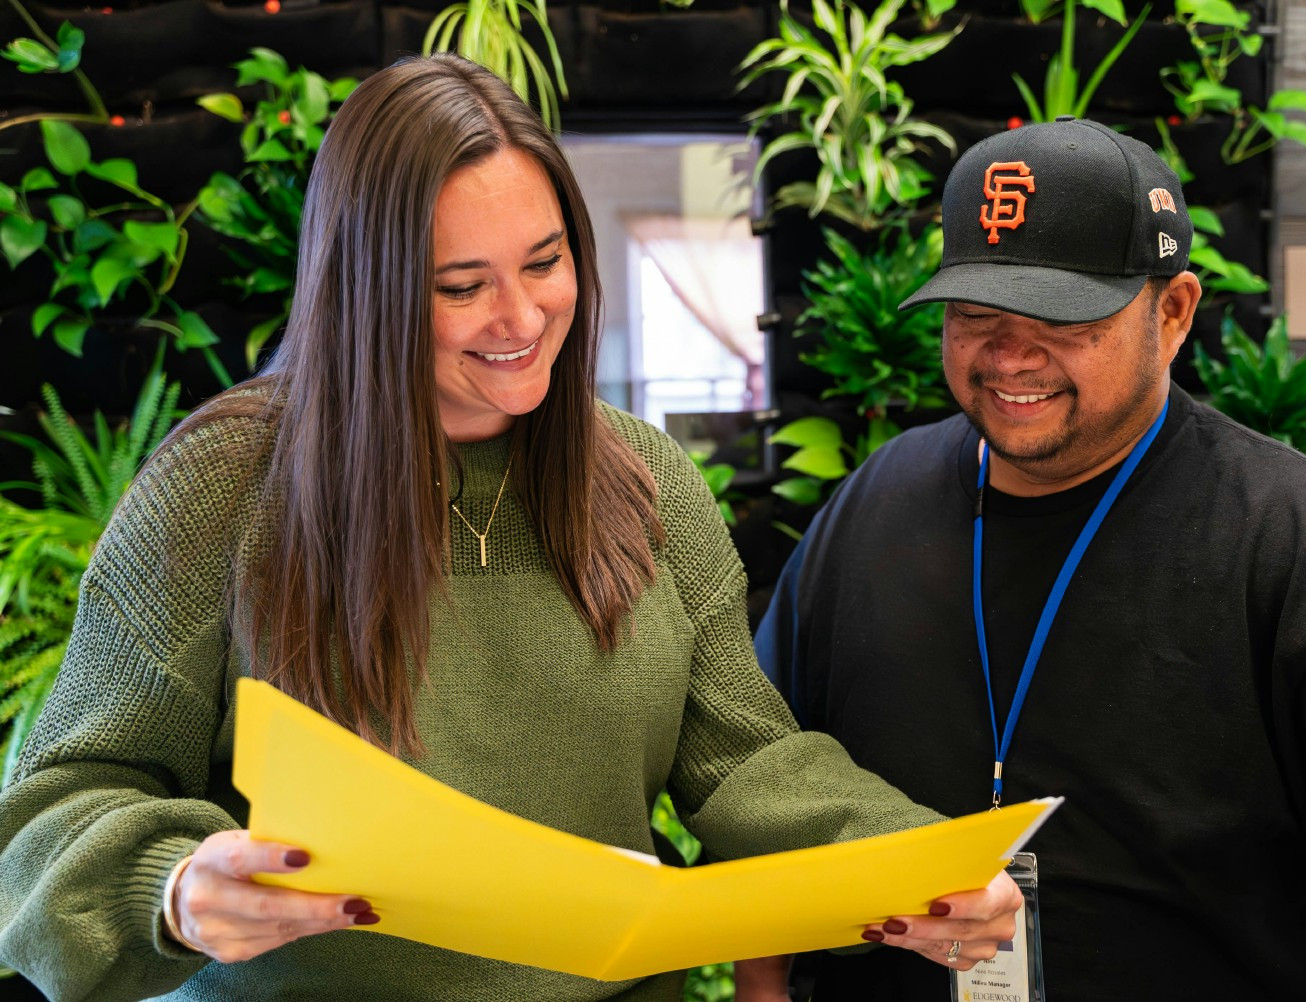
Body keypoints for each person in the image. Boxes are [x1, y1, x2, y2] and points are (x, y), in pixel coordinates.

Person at [0, 54, 1025, 1002]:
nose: (522, 319)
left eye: (545, 263)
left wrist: (921, 865)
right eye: (460, 287)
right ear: (367, 288)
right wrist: (173, 885)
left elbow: (748, 764)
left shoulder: (643, 477)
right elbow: (53, 811)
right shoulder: (223, 488)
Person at [747, 117, 1306, 1001]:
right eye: (977, 315)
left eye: (1063, 319)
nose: (1011, 356)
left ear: (1173, 312)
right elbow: (765, 778)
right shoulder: (877, 501)